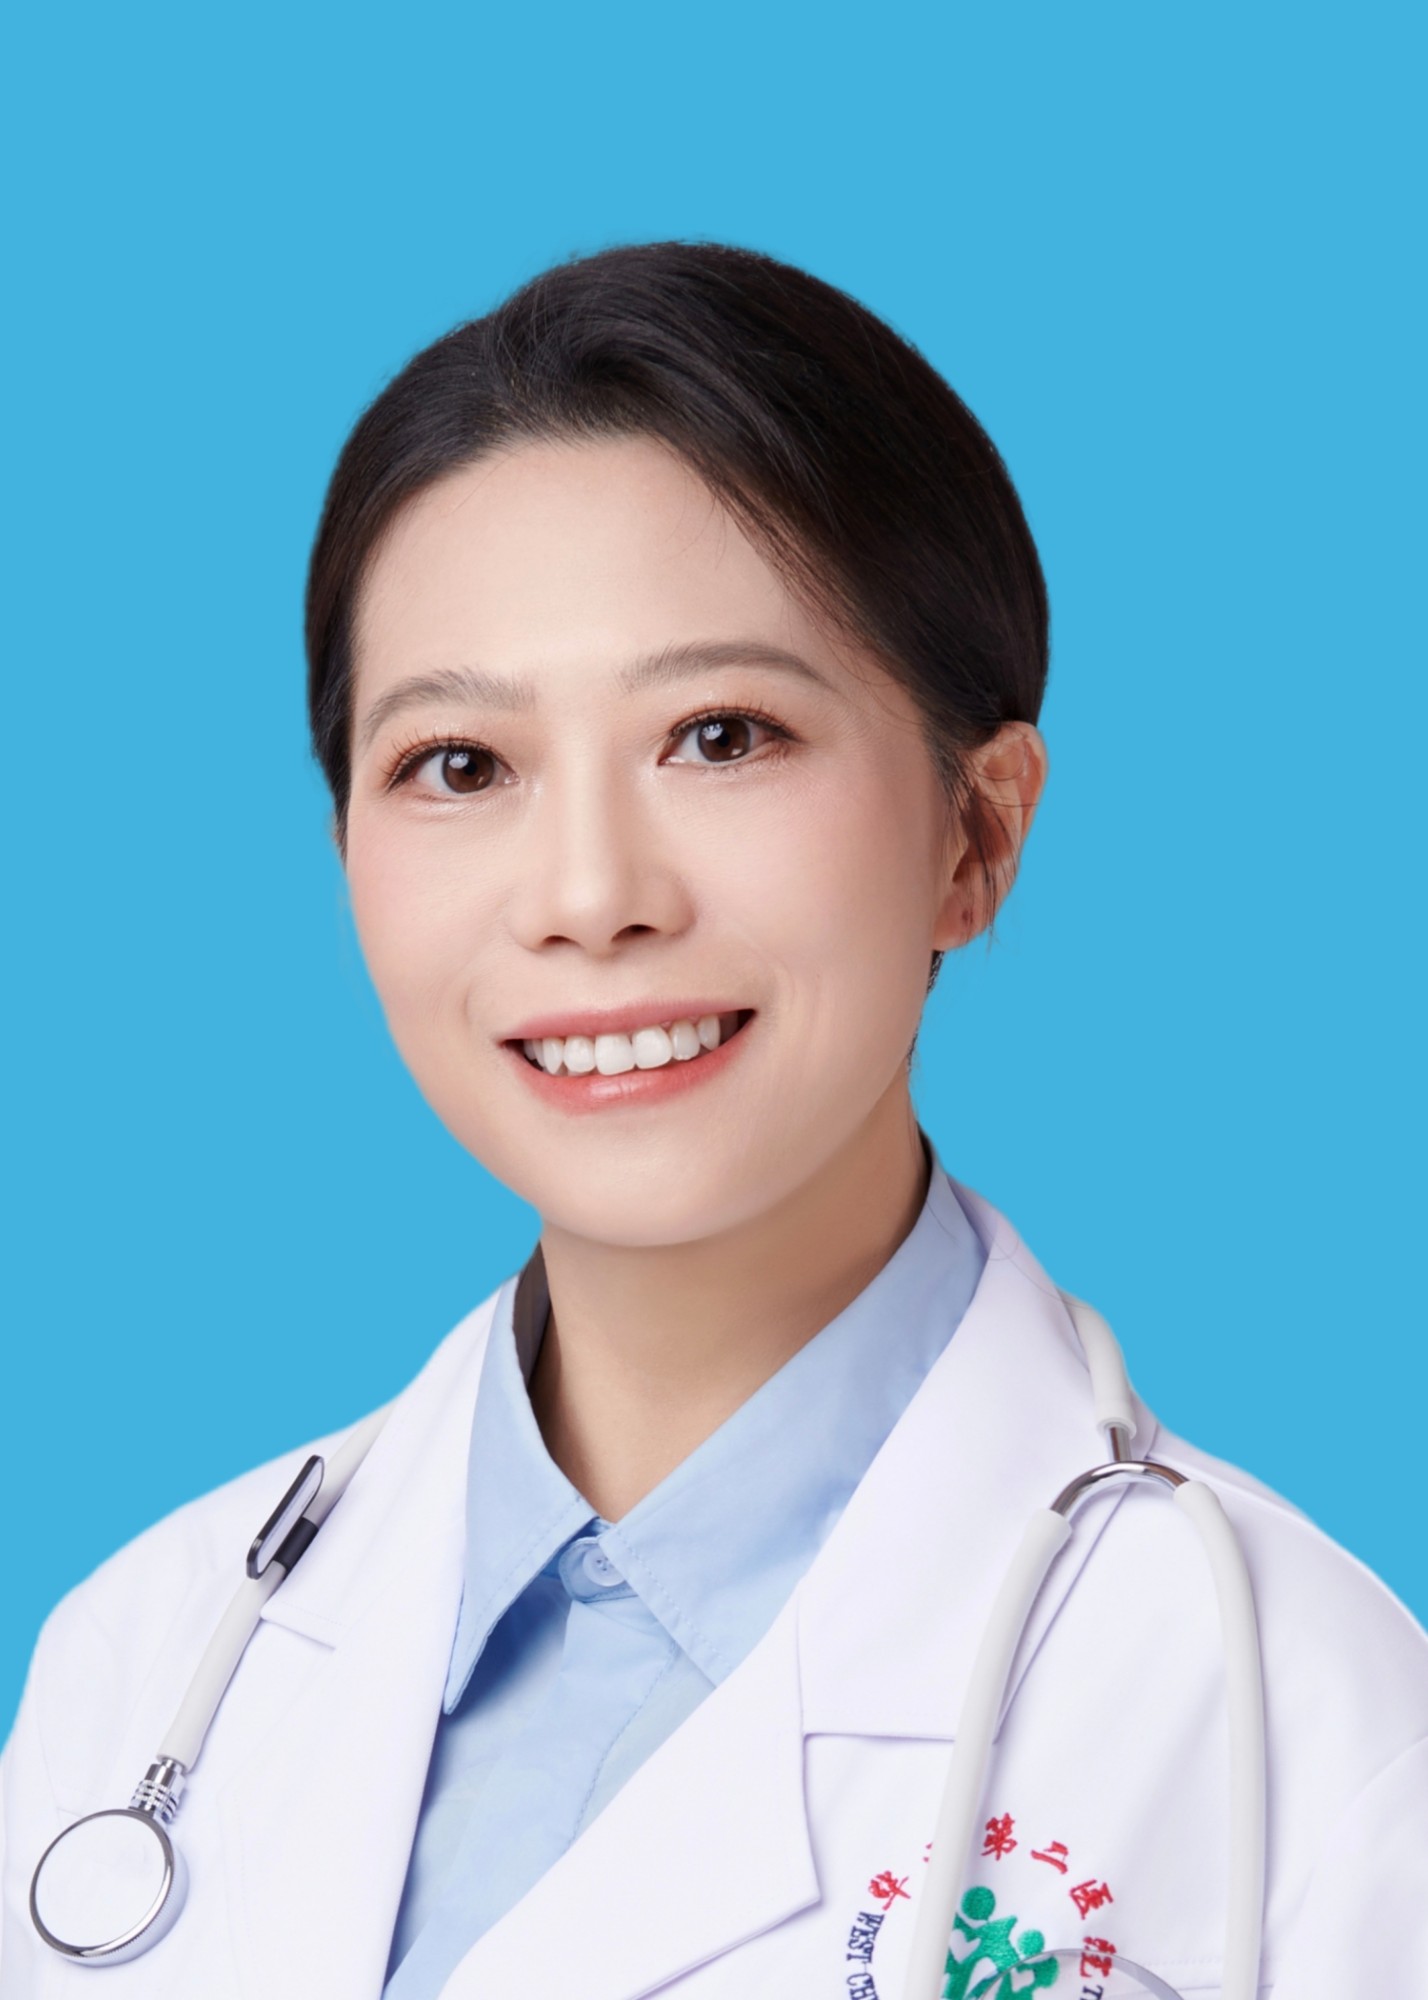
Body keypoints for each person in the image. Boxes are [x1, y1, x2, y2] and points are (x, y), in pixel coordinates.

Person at [1, 240, 1424, 2000]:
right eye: (461, 766)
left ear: (976, 832)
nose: (589, 897)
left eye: (723, 736)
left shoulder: (1300, 1733)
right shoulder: (141, 1667)